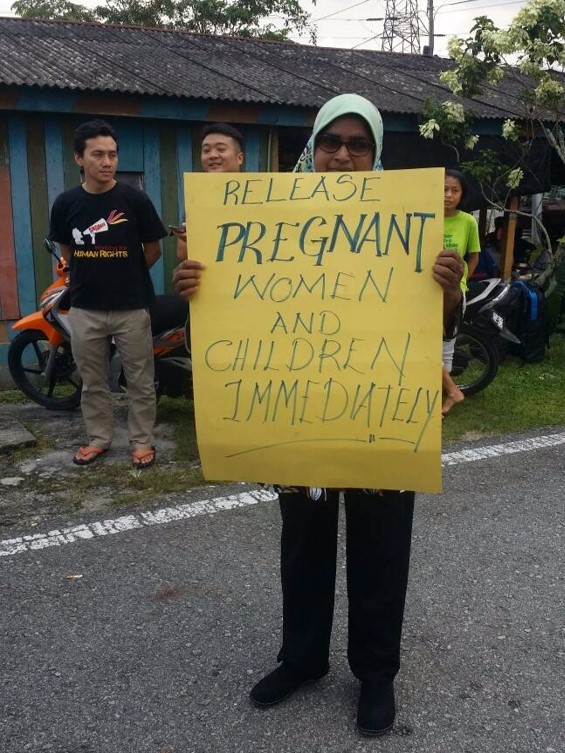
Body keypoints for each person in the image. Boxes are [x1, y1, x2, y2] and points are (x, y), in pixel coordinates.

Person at [174, 93, 463, 736]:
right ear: (313, 147)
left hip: (380, 412)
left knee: (382, 547)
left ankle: (376, 673)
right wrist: (195, 289)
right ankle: (302, 659)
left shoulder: (407, 222)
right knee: (303, 543)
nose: (343, 155)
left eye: (359, 144)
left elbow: (439, 325)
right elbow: (227, 318)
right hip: (296, 414)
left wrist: (446, 289)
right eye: (331, 141)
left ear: (376, 153)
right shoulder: (264, 219)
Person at [49, 119, 167, 468]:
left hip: (132, 305)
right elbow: (67, 250)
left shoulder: (135, 200)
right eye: (98, 154)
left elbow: (154, 249)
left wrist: (126, 273)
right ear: (79, 158)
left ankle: (142, 441)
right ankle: (99, 438)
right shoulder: (66, 203)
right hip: (85, 307)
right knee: (92, 380)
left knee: (140, 380)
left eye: (112, 154)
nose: (107, 162)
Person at [173, 123, 245, 264]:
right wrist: (192, 238)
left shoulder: (262, 195)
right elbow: (182, 254)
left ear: (239, 158)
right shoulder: (198, 199)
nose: (212, 155)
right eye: (206, 150)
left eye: (221, 149)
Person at [441, 168, 480, 415]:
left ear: (462, 194)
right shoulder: (425, 215)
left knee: (446, 345)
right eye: (444, 189)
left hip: (453, 293)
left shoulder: (468, 221)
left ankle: (444, 396)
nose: (448, 195)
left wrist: (462, 280)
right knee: (423, 344)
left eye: (454, 190)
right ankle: (452, 392)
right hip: (424, 292)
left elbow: (474, 256)